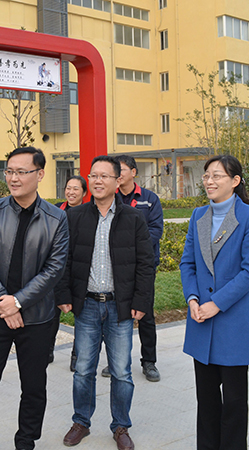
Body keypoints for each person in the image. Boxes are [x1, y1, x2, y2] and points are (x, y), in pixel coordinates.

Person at [0, 147, 69, 450]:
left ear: (40, 174)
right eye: (9, 171)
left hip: (36, 317)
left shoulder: (57, 218)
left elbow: (54, 269)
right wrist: (5, 303)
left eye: (22, 172)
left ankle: (26, 441)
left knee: (34, 386)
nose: (13, 178)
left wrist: (19, 302)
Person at [56, 155, 155, 450]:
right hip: (86, 305)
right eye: (93, 176)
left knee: (121, 371)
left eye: (104, 176)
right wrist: (63, 294)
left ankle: (121, 426)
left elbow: (145, 264)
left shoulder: (133, 218)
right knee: (83, 369)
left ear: (117, 180)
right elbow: (62, 259)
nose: (97, 181)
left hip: (119, 306)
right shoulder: (74, 217)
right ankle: (81, 422)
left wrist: (141, 301)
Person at [179, 154, 249, 450]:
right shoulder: (198, 216)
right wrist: (192, 298)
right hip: (201, 321)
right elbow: (187, 263)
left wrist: (216, 303)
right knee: (206, 402)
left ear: (235, 181)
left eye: (217, 176)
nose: (209, 181)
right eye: (206, 176)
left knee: (234, 403)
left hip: (233, 324)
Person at [100, 154, 164, 382]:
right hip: (114, 269)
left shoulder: (149, 199)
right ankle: (116, 361)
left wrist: (131, 247)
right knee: (114, 315)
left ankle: (149, 362)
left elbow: (155, 230)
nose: (118, 174)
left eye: (122, 169)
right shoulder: (110, 198)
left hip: (142, 267)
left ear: (133, 173)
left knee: (145, 315)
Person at [50, 175, 88, 371]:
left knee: (80, 316)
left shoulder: (88, 213)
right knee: (51, 313)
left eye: (76, 189)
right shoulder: (56, 210)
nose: (71, 192)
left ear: (84, 193)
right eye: (68, 188)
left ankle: (76, 355)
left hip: (78, 270)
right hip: (56, 269)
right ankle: (47, 349)